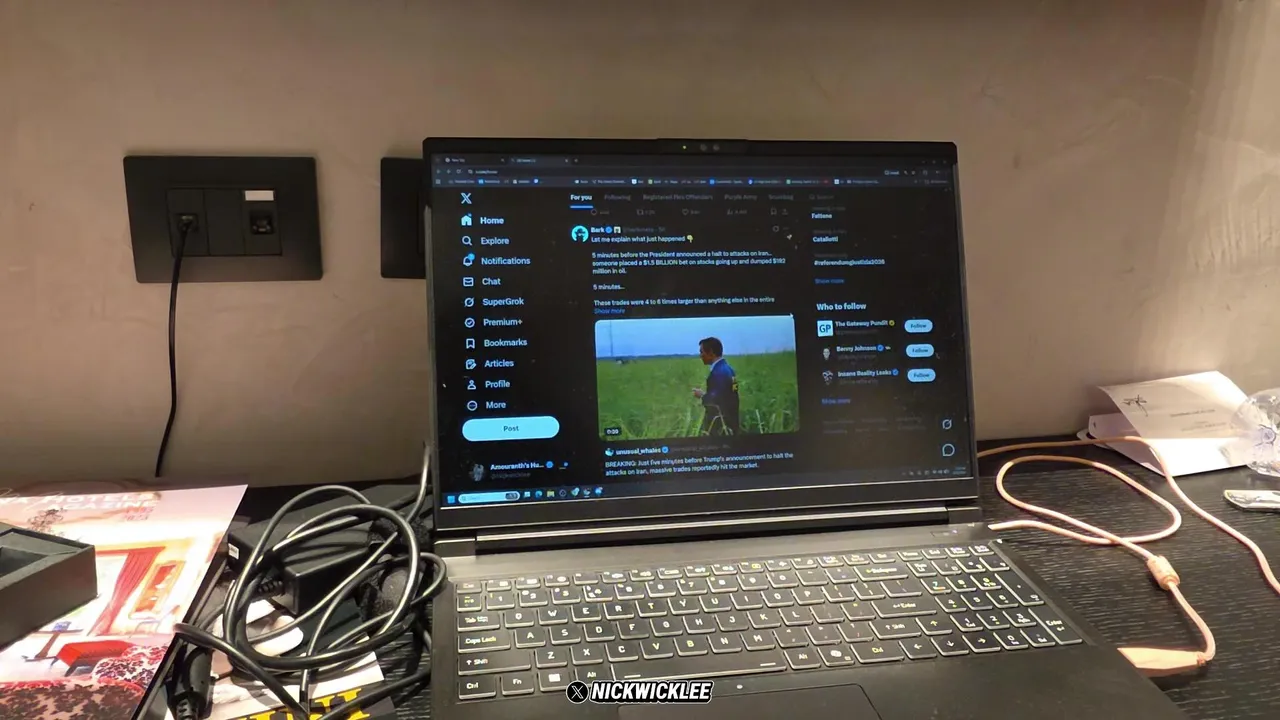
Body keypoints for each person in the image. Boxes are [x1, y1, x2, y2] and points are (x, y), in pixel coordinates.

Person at [691, 337, 740, 435]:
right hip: (732, 422)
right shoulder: (729, 369)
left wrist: (701, 395)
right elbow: (729, 395)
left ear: (711, 352)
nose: (700, 355)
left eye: (702, 352)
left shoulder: (718, 373)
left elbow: (715, 402)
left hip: (721, 426)